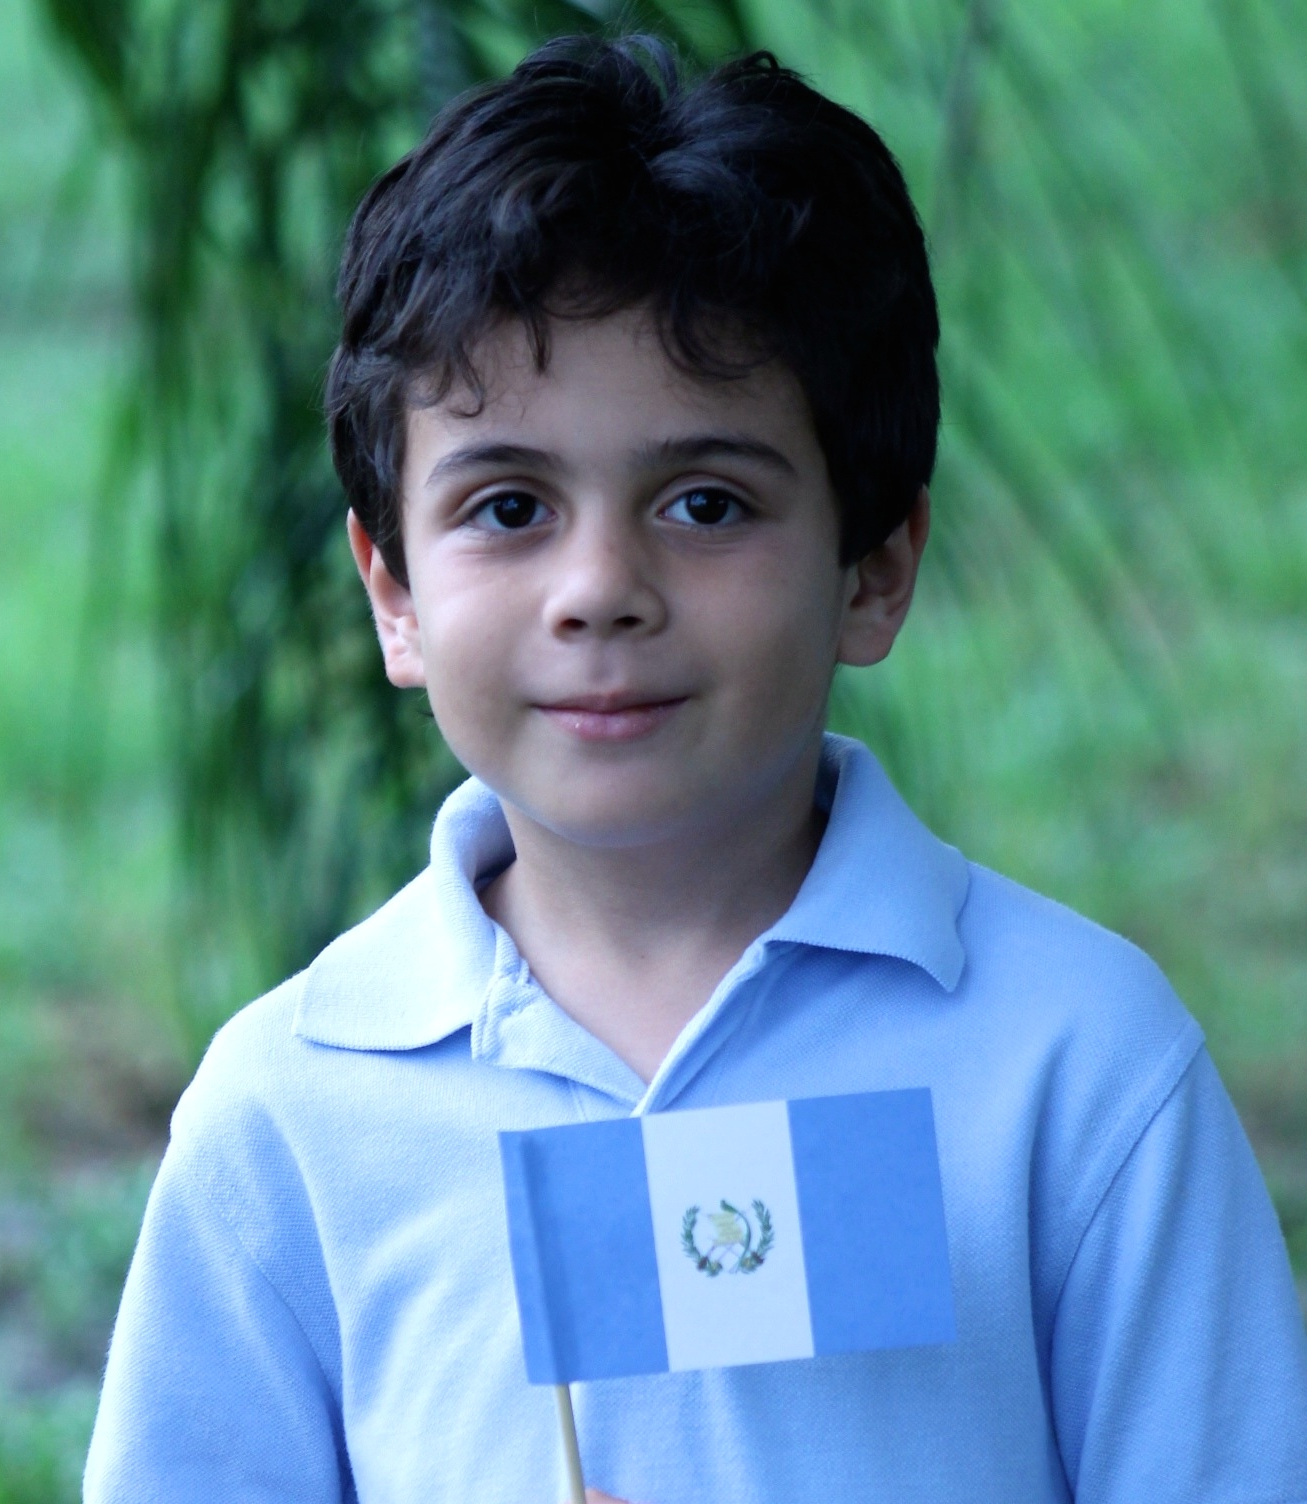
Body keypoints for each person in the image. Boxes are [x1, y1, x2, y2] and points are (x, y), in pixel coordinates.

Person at [84, 34, 1307, 1503]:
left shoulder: (1076, 1066)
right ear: (391, 590)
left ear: (874, 567)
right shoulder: (292, 1115)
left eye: (708, 501)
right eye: (510, 505)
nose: (601, 586)